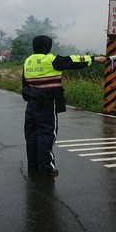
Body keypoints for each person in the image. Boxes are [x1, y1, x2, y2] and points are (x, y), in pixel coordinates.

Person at [21, 35, 107, 177]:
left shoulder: (28, 62)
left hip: (31, 103)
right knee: (47, 134)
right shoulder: (51, 60)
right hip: (47, 102)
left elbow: (24, 85)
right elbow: (73, 61)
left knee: (32, 135)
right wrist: (94, 59)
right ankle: (47, 168)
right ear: (48, 47)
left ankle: (33, 166)